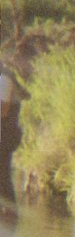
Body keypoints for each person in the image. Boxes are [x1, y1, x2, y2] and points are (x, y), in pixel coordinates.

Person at [0, 64, 22, 213]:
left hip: (5, 135)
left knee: (3, 175)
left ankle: (11, 214)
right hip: (5, 133)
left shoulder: (4, 78)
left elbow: (3, 110)